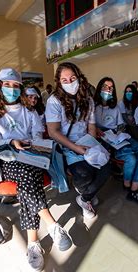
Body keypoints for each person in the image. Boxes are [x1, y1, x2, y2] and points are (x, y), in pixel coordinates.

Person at [0, 68, 72, 272]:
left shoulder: (29, 111)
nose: (11, 89)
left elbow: (37, 134)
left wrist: (30, 143)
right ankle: (52, 224)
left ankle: (33, 244)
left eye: (15, 86)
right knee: (27, 176)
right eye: (7, 85)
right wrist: (12, 141)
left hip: (31, 155)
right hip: (7, 158)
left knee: (27, 182)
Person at [45, 62, 111, 219]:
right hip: (66, 146)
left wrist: (94, 147)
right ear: (59, 82)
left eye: (72, 78)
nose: (69, 82)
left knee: (106, 166)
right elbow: (53, 132)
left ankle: (84, 197)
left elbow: (91, 128)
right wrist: (76, 148)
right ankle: (86, 192)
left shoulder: (88, 100)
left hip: (85, 141)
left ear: (79, 78)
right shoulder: (54, 101)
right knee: (84, 173)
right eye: (64, 80)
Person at [94, 77, 138, 204]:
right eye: (105, 87)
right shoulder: (93, 106)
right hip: (103, 138)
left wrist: (120, 133)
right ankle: (127, 184)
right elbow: (87, 124)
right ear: (99, 88)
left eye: (111, 88)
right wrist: (96, 129)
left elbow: (120, 125)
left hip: (117, 136)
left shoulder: (115, 107)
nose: (108, 90)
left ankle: (133, 189)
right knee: (131, 158)